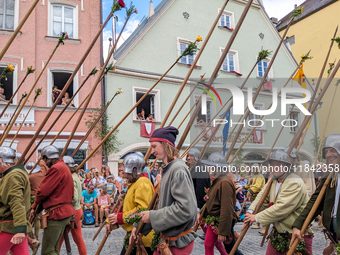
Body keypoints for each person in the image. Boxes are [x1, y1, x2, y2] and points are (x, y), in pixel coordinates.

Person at [130, 126, 197, 254]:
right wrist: (141, 226)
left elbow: (186, 209)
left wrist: (153, 216)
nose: (152, 151)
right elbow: (163, 206)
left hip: (177, 243)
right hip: (166, 240)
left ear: (166, 145)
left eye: (154, 146)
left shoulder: (178, 170)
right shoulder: (168, 168)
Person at [244, 150, 313, 255]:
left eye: (278, 164)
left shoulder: (294, 182)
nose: (274, 167)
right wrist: (250, 211)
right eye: (272, 164)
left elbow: (281, 208)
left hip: (297, 233)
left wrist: (256, 217)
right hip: (279, 233)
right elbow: (262, 197)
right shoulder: (273, 179)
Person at [291, 134, 340, 253]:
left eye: (332, 150)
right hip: (335, 238)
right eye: (326, 151)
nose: (328, 155)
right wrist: (298, 224)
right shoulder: (330, 174)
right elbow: (315, 201)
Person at [29, 145, 75, 255]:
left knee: (48, 251)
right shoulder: (62, 166)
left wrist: (34, 205)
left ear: (46, 157)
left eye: (44, 160)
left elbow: (42, 191)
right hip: (63, 210)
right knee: (53, 249)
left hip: (57, 212)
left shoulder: (56, 168)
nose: (44, 163)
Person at [106, 153, 155, 255]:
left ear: (133, 169)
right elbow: (124, 206)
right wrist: (110, 219)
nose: (121, 168)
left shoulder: (143, 183)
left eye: (124, 166)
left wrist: (119, 218)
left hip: (142, 237)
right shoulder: (133, 184)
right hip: (133, 235)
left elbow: (143, 210)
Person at [196, 152, 238, 255]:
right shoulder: (218, 180)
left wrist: (223, 231)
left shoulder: (224, 182)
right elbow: (210, 201)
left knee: (231, 250)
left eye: (210, 166)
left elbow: (226, 208)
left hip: (221, 220)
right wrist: (201, 214)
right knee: (209, 244)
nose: (208, 168)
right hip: (214, 219)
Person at [0, 147, 31, 255]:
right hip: (14, 226)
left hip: (10, 226)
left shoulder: (13, 175)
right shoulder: (13, 174)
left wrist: (19, 228)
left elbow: (17, 202)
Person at [58, 156, 87, 254]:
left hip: (72, 211)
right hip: (77, 210)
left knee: (59, 238)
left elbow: (74, 198)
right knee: (78, 239)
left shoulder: (71, 178)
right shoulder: (75, 176)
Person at [25, 162, 44, 254]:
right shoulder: (42, 175)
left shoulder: (29, 177)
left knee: (29, 219)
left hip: (32, 199)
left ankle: (32, 237)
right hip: (40, 199)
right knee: (37, 218)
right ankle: (36, 236)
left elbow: (27, 189)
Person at [243, 164, 265, 230]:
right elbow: (250, 185)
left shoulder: (260, 176)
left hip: (259, 196)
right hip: (254, 197)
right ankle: (257, 224)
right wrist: (243, 187)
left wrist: (250, 191)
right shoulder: (254, 176)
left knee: (260, 210)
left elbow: (257, 186)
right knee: (256, 210)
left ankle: (264, 227)